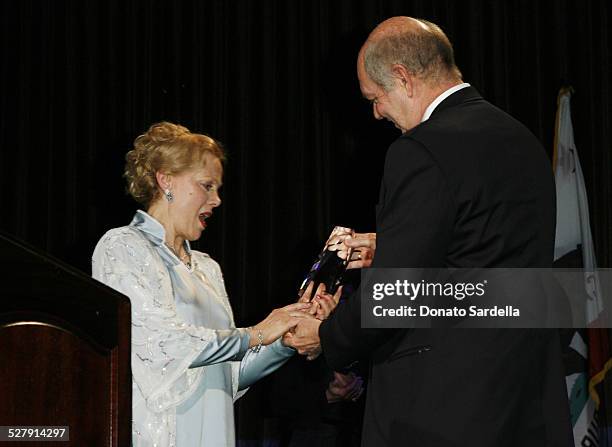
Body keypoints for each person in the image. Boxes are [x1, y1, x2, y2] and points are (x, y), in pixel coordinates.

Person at [284, 17, 573, 446]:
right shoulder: (522, 139)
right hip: (526, 403)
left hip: (443, 410)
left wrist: (325, 336)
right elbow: (490, 268)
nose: (376, 112)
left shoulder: (419, 149)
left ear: (403, 78)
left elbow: (399, 293)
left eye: (376, 97)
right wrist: (391, 247)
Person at [92, 121, 316, 447]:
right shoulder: (124, 246)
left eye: (218, 189)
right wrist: (256, 333)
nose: (217, 200)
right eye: (207, 186)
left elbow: (230, 374)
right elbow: (164, 344)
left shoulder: (207, 268)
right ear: (165, 179)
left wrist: (284, 339)